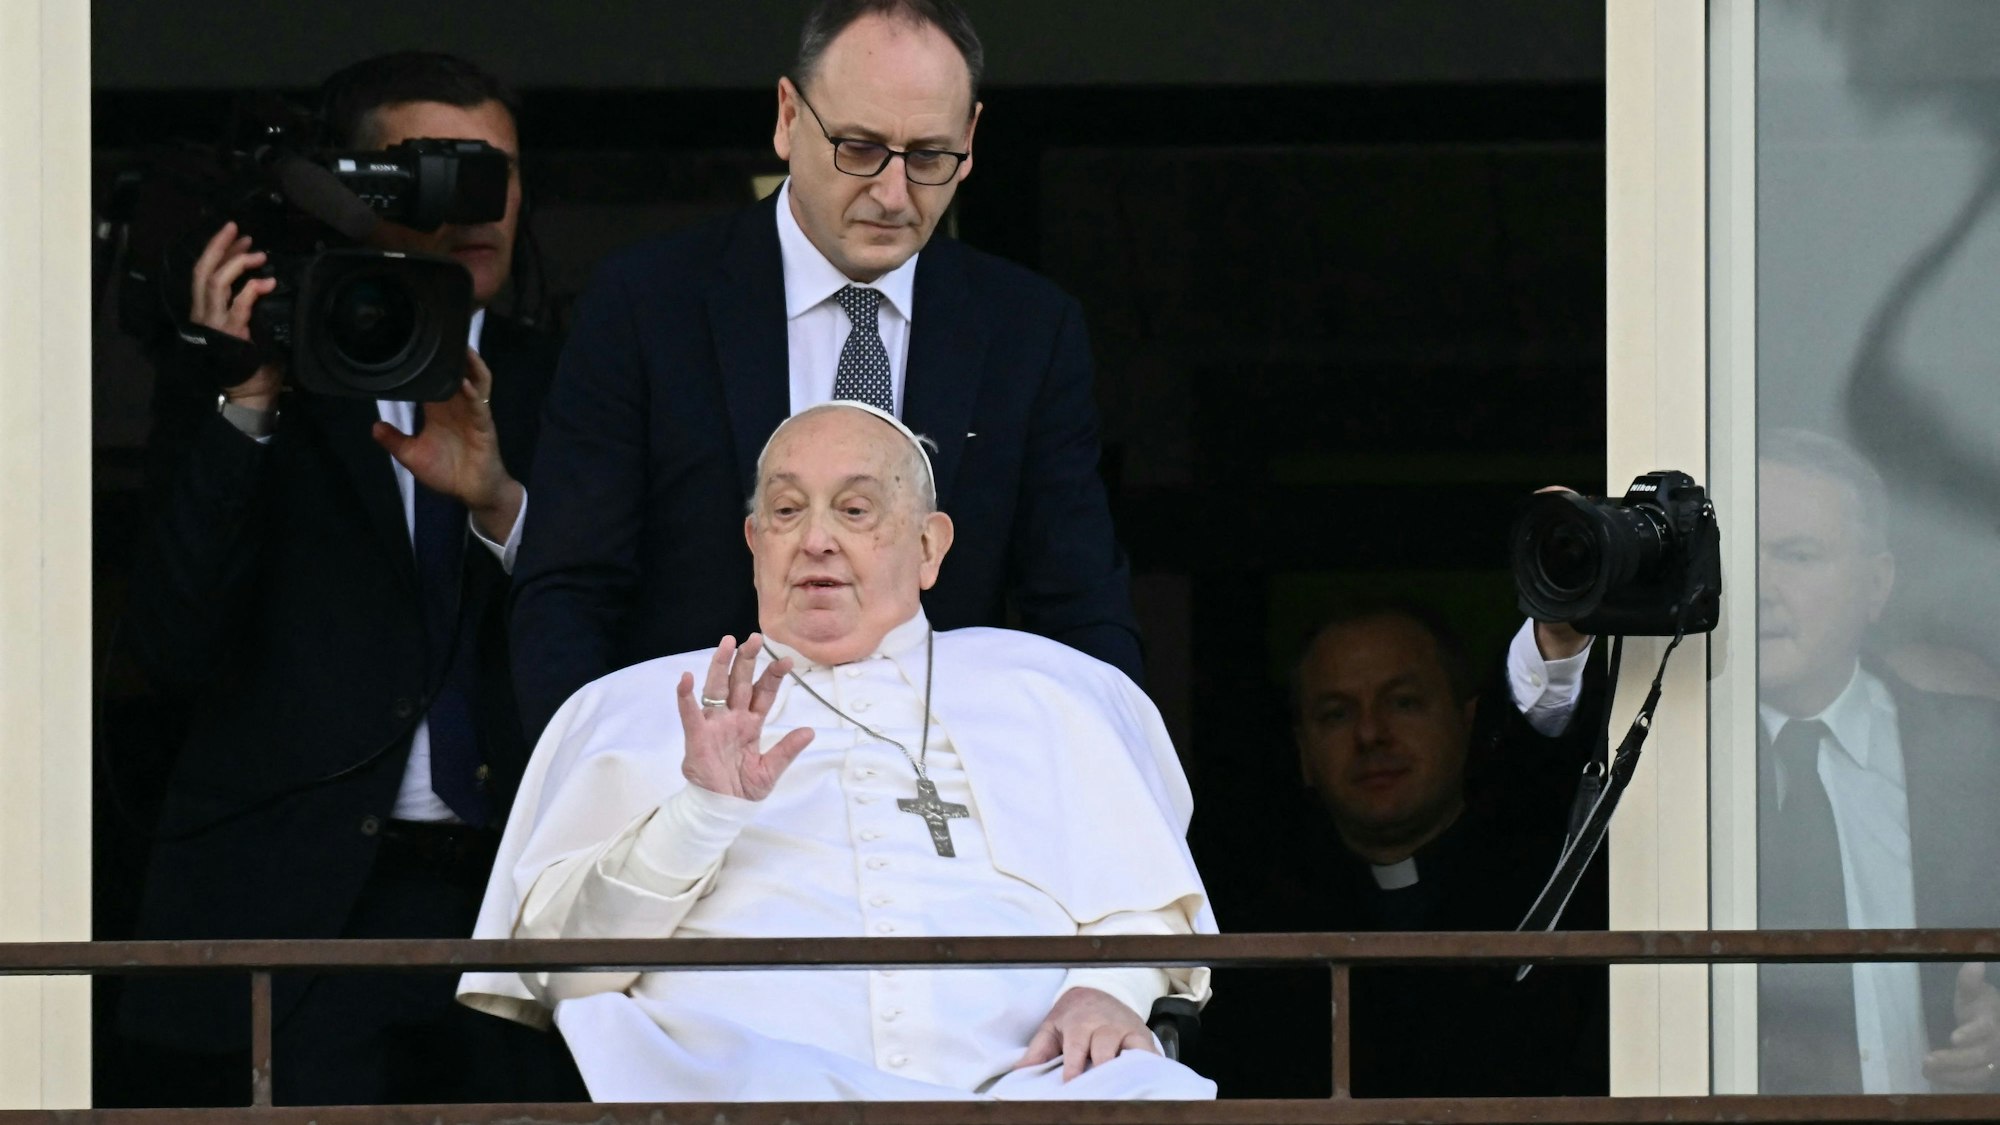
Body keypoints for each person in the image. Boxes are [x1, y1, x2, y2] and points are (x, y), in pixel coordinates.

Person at [461, 401, 1214, 1102]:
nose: (816, 537)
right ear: (755, 544)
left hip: (1033, 1095)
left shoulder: (1050, 690)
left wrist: (1112, 987)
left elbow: (1153, 909)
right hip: (737, 1104)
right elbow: (560, 971)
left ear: (929, 545)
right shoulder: (633, 706)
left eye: (856, 510)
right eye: (786, 510)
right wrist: (699, 813)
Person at [114, 52, 576, 1107]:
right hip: (293, 902)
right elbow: (168, 645)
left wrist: (502, 504)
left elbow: (627, 640)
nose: (477, 206)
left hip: (508, 898)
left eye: (496, 174)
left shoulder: (575, 377)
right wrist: (244, 400)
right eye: (438, 173)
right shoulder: (255, 366)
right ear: (351, 192)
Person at [509, 0, 1141, 743]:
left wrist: (1113, 795)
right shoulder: (647, 305)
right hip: (694, 790)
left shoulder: (1029, 330)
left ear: (970, 141)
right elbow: (570, 593)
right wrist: (607, 797)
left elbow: (1080, 611)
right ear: (786, 117)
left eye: (930, 157)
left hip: (936, 806)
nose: (893, 194)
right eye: (860, 148)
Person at [1200, 602, 1609, 1098]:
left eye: (1404, 703)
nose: (1371, 734)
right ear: (1304, 752)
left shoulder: (1558, 884)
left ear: (1466, 720)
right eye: (1336, 714)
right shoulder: (1255, 924)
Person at [1754, 428, 2000, 1094]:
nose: (1756, 584)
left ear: (1875, 585)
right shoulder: (1664, 763)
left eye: (1796, 555)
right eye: (1733, 555)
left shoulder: (1983, 760)